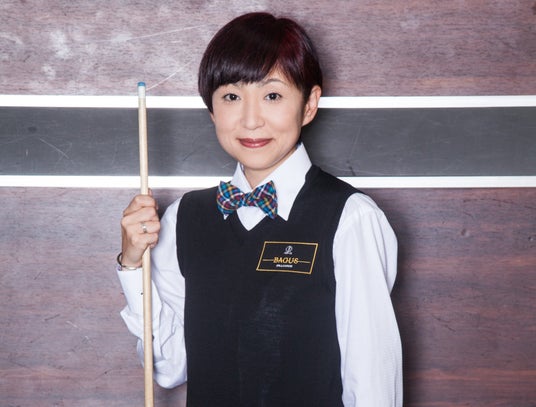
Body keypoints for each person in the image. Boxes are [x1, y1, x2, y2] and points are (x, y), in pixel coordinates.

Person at [117, 11, 402, 406]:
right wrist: (132, 265)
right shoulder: (184, 217)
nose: (251, 121)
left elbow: (372, 385)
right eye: (232, 97)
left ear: (309, 104)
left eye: (272, 96)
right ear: (212, 109)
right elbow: (169, 367)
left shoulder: (351, 218)